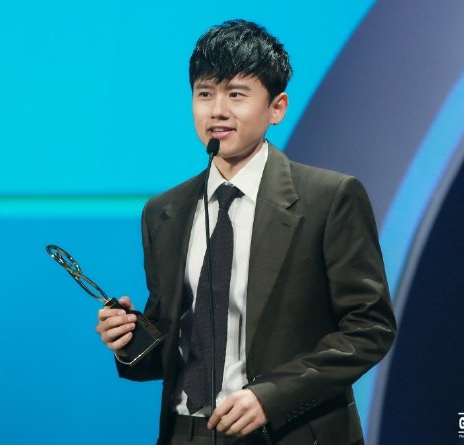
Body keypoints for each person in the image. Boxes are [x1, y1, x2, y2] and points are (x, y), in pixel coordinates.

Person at [95, 19, 396, 445]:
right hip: (187, 432)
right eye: (205, 94)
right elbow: (179, 349)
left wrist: (270, 397)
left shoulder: (329, 198)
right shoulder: (164, 212)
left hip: (288, 432)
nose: (217, 110)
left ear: (277, 108)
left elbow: (369, 328)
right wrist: (129, 339)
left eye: (236, 94)